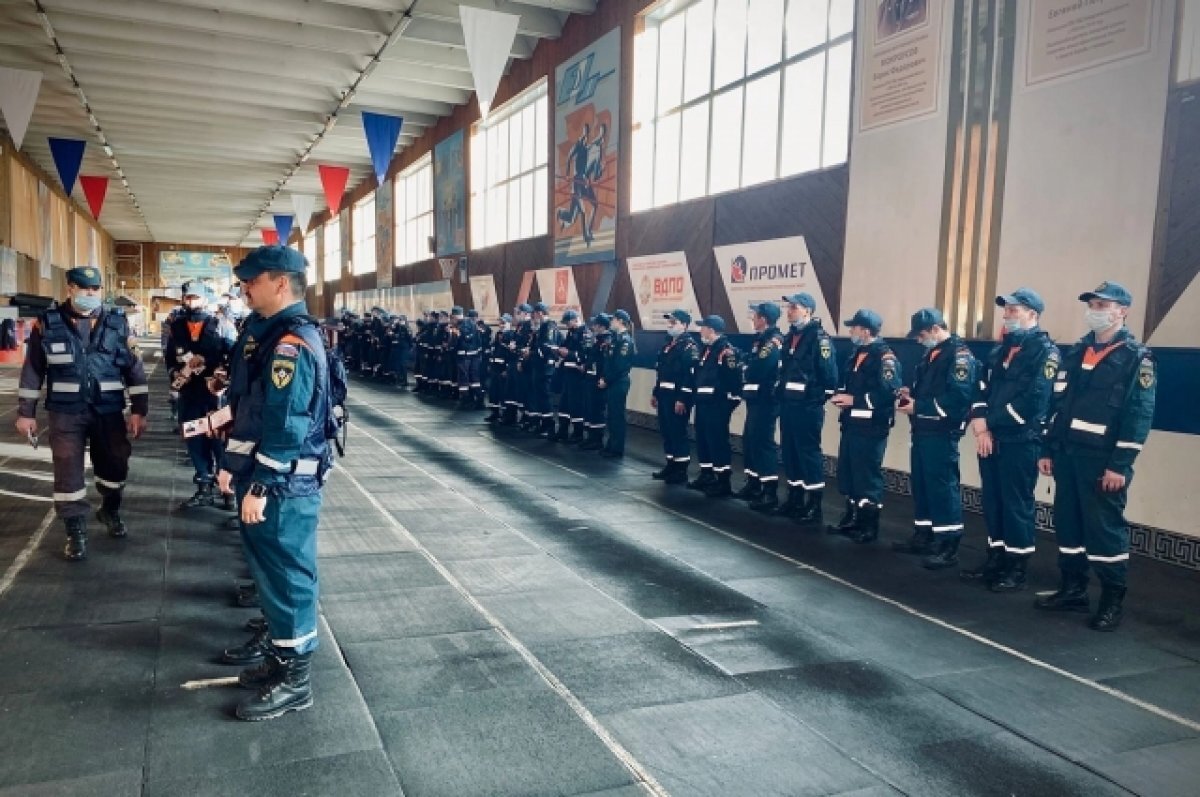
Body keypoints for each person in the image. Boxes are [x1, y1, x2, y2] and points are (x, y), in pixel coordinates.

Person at [216, 245, 331, 720]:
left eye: (253, 279)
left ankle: (295, 681)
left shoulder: (291, 344)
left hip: (282, 484)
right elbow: (251, 410)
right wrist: (232, 465)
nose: (246, 287)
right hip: (266, 477)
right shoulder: (266, 334)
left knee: (288, 577)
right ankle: (281, 658)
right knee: (271, 573)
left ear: (281, 283)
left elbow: (287, 425)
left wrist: (261, 484)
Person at [1036, 281, 1155, 632]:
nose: (1096, 310)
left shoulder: (1136, 358)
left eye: (1104, 305)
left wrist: (1120, 465)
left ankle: (1111, 599)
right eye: (1093, 304)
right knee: (1068, 524)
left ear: (1123, 311)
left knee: (1104, 530)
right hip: (1068, 455)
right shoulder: (1076, 352)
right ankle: (1073, 589)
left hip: (1102, 461)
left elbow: (1139, 415)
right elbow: (1057, 405)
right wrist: (1047, 448)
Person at [15, 266, 148, 560]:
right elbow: (32, 371)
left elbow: (134, 370)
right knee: (67, 469)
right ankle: (75, 531)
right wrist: (26, 413)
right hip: (65, 412)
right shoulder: (46, 324)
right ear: (70, 289)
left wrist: (140, 410)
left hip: (108, 410)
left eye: (95, 289)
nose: (91, 294)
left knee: (116, 463)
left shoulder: (117, 324)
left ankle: (110, 509)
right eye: (84, 288)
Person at [960, 288, 1058, 591]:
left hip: (1020, 439)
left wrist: (988, 422)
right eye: (1006, 310)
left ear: (1033, 314)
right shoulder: (999, 350)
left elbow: (1034, 401)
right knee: (994, 501)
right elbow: (980, 389)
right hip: (991, 438)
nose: (1007, 315)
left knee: (1016, 504)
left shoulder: (1045, 352)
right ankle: (996, 557)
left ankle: (1016, 566)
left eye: (1014, 310)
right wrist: (982, 426)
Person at [895, 308, 977, 568]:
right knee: (922, 484)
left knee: (942, 487)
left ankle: (948, 543)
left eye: (921, 334)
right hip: (923, 430)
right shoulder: (932, 355)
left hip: (942, 432)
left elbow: (958, 399)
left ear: (934, 329)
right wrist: (911, 394)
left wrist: (920, 407)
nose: (919, 340)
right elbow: (929, 390)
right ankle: (924, 534)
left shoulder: (959, 356)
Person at [828, 309, 901, 543]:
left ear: (866, 330)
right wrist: (844, 397)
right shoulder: (857, 354)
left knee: (867, 475)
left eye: (854, 327)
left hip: (872, 427)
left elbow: (888, 392)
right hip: (852, 424)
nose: (850, 331)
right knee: (849, 472)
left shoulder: (885, 358)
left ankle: (868, 526)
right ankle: (852, 518)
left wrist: (855, 400)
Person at [168, 281, 236, 510]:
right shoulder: (176, 327)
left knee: (220, 441)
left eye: (195, 297)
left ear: (206, 299)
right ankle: (203, 487)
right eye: (187, 297)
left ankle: (227, 490)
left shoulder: (221, 325)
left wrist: (223, 375)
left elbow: (235, 355)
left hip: (215, 396)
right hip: (189, 395)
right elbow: (170, 358)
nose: (191, 302)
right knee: (195, 440)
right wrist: (176, 375)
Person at [774, 293, 838, 524]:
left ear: (807, 311)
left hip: (808, 406)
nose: (789, 311)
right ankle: (795, 497)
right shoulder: (791, 336)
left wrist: (818, 399)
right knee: (790, 450)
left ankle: (814, 504)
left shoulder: (819, 338)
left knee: (808, 452)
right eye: (788, 307)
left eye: (794, 307)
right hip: (789, 404)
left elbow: (829, 374)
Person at [737, 302, 784, 512]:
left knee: (764, 442)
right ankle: (753, 483)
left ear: (763, 319)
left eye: (755, 316)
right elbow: (751, 362)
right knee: (750, 439)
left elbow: (759, 367)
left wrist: (747, 367)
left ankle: (769, 491)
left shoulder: (773, 341)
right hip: (755, 398)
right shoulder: (760, 340)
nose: (752, 319)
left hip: (767, 399)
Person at [689, 315, 741, 497]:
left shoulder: (726, 351)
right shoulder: (706, 350)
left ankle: (723, 480)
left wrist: (728, 403)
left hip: (718, 404)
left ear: (711, 330)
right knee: (703, 439)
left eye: (703, 327)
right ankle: (707, 474)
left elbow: (734, 380)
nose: (700, 330)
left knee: (717, 441)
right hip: (703, 403)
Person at [651, 309, 700, 484]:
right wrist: (655, 393)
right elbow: (661, 371)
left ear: (685, 325)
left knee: (678, 432)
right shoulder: (667, 345)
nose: (670, 325)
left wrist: (682, 399)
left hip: (677, 398)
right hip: (664, 395)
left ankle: (681, 470)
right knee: (667, 431)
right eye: (669, 322)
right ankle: (670, 465)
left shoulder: (689, 347)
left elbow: (689, 376)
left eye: (674, 322)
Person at [599, 309, 635, 457]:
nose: (611, 322)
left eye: (613, 319)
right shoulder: (615, 339)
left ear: (620, 321)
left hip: (618, 382)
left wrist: (606, 379)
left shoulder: (625, 340)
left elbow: (619, 366)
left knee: (617, 416)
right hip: (612, 381)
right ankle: (611, 444)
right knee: (612, 415)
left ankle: (617, 447)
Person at [527, 303, 561, 436]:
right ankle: (543, 422)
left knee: (545, 395)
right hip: (538, 366)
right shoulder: (540, 327)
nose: (533, 316)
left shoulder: (549, 326)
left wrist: (534, 352)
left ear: (540, 313)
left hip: (545, 367)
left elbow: (548, 346)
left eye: (534, 313)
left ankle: (549, 425)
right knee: (539, 396)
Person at [580, 314, 611, 450]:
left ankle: (597, 438)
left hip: (598, 380)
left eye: (596, 325)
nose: (593, 327)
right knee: (589, 408)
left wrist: (603, 378)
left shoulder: (606, 341)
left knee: (597, 409)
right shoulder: (596, 340)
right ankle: (590, 436)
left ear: (602, 326)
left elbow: (605, 362)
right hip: (590, 378)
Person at [486, 314, 515, 423]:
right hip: (495, 367)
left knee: (504, 392)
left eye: (504, 323)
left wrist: (506, 369)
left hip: (503, 368)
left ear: (509, 323)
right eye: (500, 323)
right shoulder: (497, 335)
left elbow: (511, 354)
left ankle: (505, 414)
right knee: (493, 391)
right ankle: (494, 412)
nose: (501, 325)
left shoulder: (511, 335)